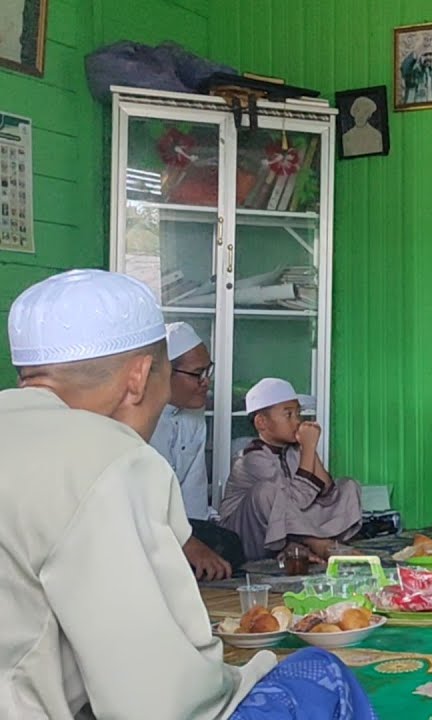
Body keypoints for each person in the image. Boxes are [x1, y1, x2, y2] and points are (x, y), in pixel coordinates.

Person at [0, 268, 373, 719]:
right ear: (139, 376)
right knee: (319, 674)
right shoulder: (109, 458)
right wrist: (252, 673)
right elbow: (160, 699)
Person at [219, 378, 363, 561]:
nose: (297, 421)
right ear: (261, 422)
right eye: (288, 415)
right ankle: (317, 543)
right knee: (267, 491)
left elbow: (327, 490)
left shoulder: (294, 451)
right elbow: (295, 501)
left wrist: (307, 448)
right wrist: (309, 448)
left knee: (347, 486)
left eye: (298, 414)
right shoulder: (251, 458)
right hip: (249, 536)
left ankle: (304, 543)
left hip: (288, 527)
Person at [150, 322, 244, 579]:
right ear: (165, 373)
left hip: (178, 525)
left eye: (208, 372)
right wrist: (187, 543)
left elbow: (194, 488)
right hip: (141, 525)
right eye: (197, 374)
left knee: (228, 545)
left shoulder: (193, 416)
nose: (206, 382)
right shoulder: (139, 418)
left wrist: (196, 537)